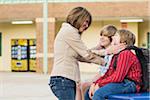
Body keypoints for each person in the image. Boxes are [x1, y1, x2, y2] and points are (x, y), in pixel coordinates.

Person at [49, 7, 105, 100]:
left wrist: (98, 50)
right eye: (86, 22)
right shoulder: (69, 32)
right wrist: (106, 62)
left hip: (64, 80)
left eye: (88, 23)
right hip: (63, 80)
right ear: (78, 18)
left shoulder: (68, 32)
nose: (87, 25)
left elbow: (81, 56)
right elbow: (87, 55)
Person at [84, 29, 142, 100]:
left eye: (116, 35)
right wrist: (95, 83)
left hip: (129, 84)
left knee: (98, 94)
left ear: (123, 41)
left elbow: (118, 77)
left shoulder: (125, 53)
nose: (113, 37)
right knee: (88, 92)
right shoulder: (116, 54)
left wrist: (100, 84)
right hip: (121, 82)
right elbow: (108, 73)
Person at [75, 24, 118, 100]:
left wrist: (94, 82)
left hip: (109, 80)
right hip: (102, 78)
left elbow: (107, 73)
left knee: (85, 86)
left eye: (105, 35)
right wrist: (98, 46)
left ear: (112, 38)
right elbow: (86, 53)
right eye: (101, 35)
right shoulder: (105, 52)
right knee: (80, 86)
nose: (101, 38)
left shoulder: (113, 52)